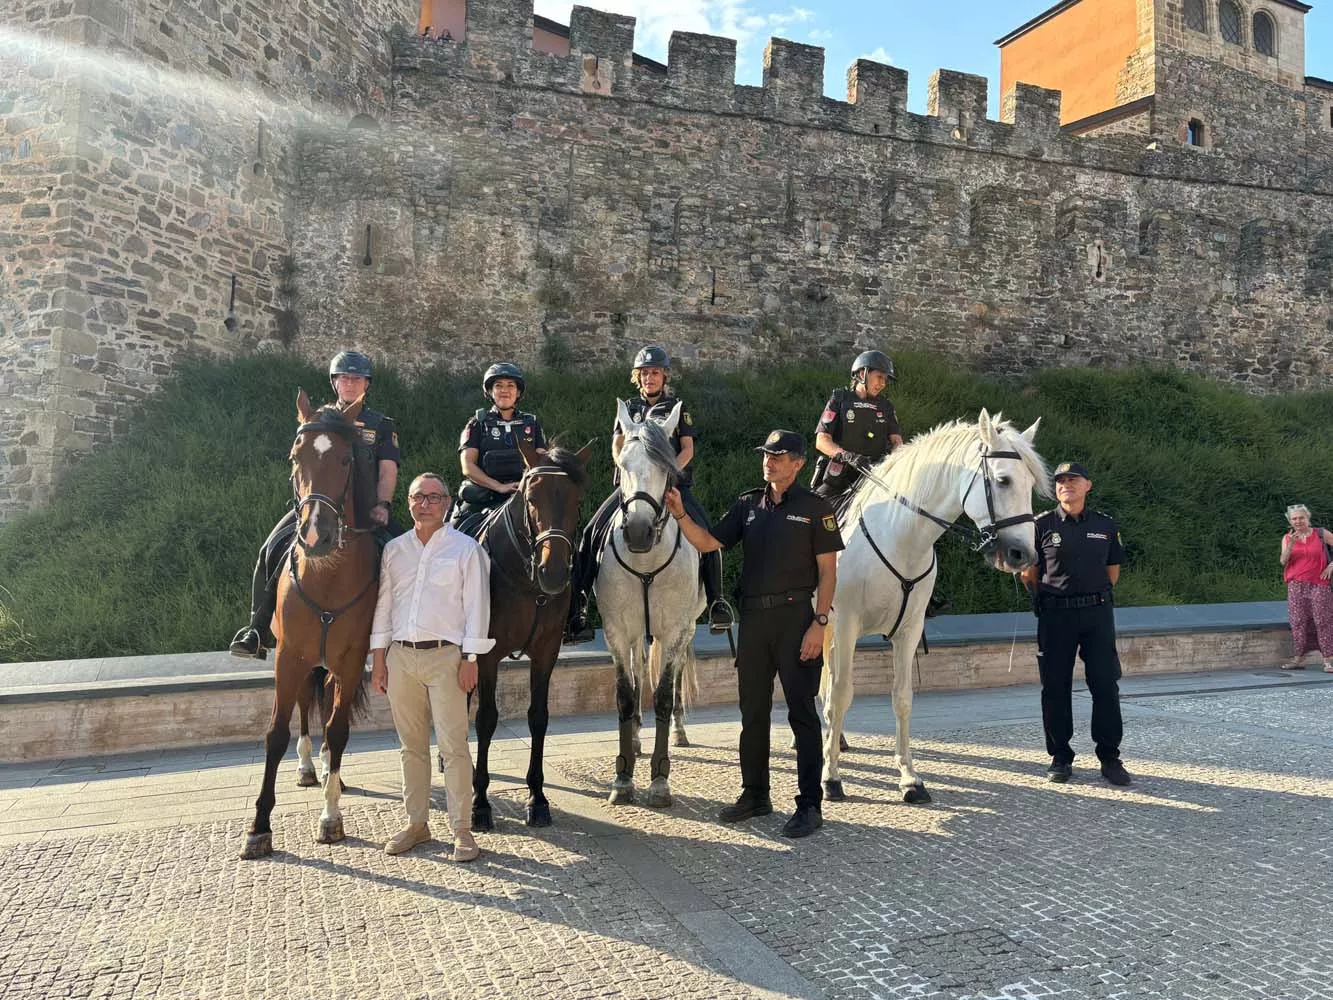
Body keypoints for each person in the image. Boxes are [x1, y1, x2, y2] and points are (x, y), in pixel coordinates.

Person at [665, 429, 843, 838]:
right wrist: (679, 513)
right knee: (753, 713)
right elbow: (709, 543)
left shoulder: (816, 508)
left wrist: (819, 624)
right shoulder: (748, 504)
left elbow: (828, 571)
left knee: (802, 715)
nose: (769, 461)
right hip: (755, 622)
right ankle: (755, 794)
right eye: (766, 454)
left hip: (798, 619)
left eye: (778, 456)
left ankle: (810, 804)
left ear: (798, 463)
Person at [230, 350, 401, 659]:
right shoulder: (317, 419)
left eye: (357, 378)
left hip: (366, 509)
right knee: (269, 549)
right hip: (317, 508)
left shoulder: (381, 425)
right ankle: (256, 629)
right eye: (344, 378)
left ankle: (401, 633)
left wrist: (384, 504)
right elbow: (305, 462)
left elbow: (388, 469)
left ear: (367, 384)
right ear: (335, 382)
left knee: (404, 554)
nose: (350, 384)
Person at [566, 345, 734, 643]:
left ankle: (718, 601)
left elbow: (688, 449)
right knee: (592, 531)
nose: (649, 378)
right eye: (644, 374)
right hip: (631, 487)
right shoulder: (628, 408)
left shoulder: (677, 409)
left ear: (664, 376)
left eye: (654, 373)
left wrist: (668, 473)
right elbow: (617, 444)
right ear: (637, 377)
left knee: (707, 533)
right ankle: (579, 604)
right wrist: (625, 466)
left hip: (671, 486)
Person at [369, 473, 493, 860]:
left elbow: (477, 607)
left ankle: (462, 830)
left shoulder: (466, 549)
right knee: (412, 747)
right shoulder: (395, 550)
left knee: (454, 746)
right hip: (401, 657)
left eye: (434, 497)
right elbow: (384, 605)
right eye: (418, 497)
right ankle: (417, 824)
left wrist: (471, 659)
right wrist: (378, 658)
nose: (425, 503)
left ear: (447, 503)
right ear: (408, 502)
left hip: (447, 657)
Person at [1019, 461, 1131, 787]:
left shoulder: (1105, 525)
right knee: (1055, 688)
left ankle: (1110, 757)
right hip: (1056, 615)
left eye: (1073, 479)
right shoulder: (1040, 525)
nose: (1066, 484)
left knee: (1105, 686)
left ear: (1088, 485)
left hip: (1096, 614)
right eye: (1060, 481)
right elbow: (1030, 574)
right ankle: (1060, 756)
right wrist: (1046, 600)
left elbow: (1113, 571)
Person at [452, 362, 546, 532]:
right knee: (454, 533)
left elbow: (542, 461)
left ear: (518, 392)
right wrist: (499, 486)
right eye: (499, 385)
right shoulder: (477, 423)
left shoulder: (531, 423)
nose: (505, 390)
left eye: (510, 385)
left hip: (524, 493)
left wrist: (525, 486)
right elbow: (468, 466)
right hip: (485, 496)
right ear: (490, 391)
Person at [810, 349, 903, 503]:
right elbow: (821, 441)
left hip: (874, 477)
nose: (882, 384)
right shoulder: (839, 399)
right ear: (862, 374)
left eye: (885, 379)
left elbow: (897, 442)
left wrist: (888, 463)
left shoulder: (886, 406)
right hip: (840, 476)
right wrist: (848, 456)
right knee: (812, 510)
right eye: (879, 377)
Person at [1278, 504, 1333, 672]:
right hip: (1296, 585)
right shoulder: (1288, 538)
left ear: (1308, 518)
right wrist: (1291, 545)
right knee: (1298, 621)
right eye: (1294, 518)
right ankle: (1299, 658)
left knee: (1323, 620)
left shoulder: (1321, 534)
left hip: (1319, 583)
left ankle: (1328, 660)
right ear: (1290, 521)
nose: (1298, 521)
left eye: (1301, 517)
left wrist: (1332, 565)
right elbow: (1283, 561)